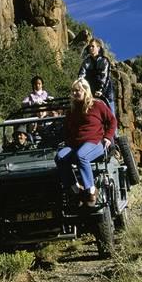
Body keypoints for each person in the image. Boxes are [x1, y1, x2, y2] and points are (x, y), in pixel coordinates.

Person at [54, 78, 117, 206]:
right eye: (73, 91)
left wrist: (108, 137)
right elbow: (66, 129)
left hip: (95, 142)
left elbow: (112, 121)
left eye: (78, 90)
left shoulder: (97, 105)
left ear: (85, 90)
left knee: (81, 155)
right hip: (75, 145)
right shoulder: (71, 110)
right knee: (60, 157)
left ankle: (91, 190)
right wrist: (67, 141)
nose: (75, 93)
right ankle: (76, 190)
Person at [78, 39, 116, 118]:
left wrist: (100, 90)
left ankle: (114, 130)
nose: (90, 48)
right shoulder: (86, 62)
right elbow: (81, 75)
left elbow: (104, 76)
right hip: (91, 91)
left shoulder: (104, 60)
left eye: (93, 46)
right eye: (89, 46)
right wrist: (80, 87)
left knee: (110, 114)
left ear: (98, 48)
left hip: (106, 92)